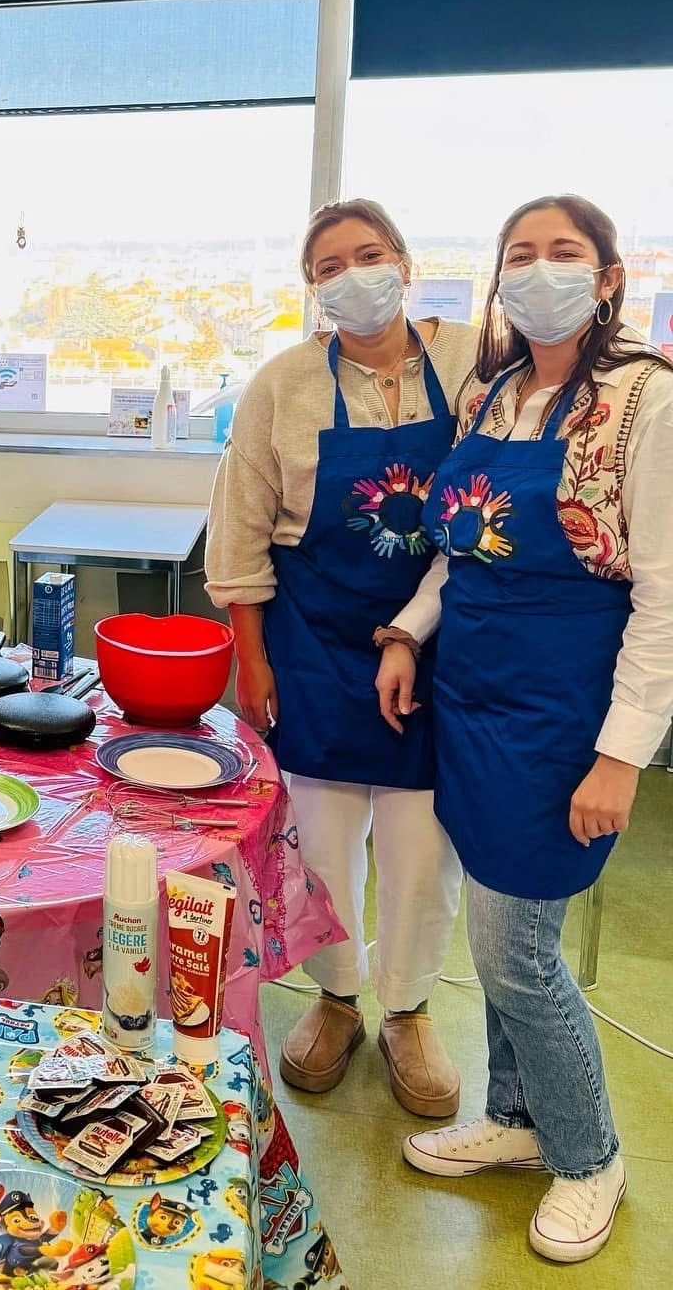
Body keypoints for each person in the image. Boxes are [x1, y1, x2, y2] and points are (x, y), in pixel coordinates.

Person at [383, 195, 673, 1263]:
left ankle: (590, 1154)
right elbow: (457, 553)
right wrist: (408, 632)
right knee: (495, 935)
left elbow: (666, 599)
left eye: (565, 252)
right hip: (471, 700)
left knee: (518, 955)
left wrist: (620, 756)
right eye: (521, 254)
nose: (539, 270)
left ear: (607, 278)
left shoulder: (645, 401)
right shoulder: (492, 394)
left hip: (564, 717)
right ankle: (515, 1116)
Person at [205, 199, 476, 1116]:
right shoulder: (280, 386)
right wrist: (252, 663)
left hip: (437, 640)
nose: (352, 276)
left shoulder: (468, 363)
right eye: (328, 266)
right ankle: (337, 996)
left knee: (420, 847)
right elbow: (240, 536)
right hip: (313, 639)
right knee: (320, 840)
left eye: (368, 254)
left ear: (404, 262)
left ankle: (408, 1009)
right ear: (312, 289)